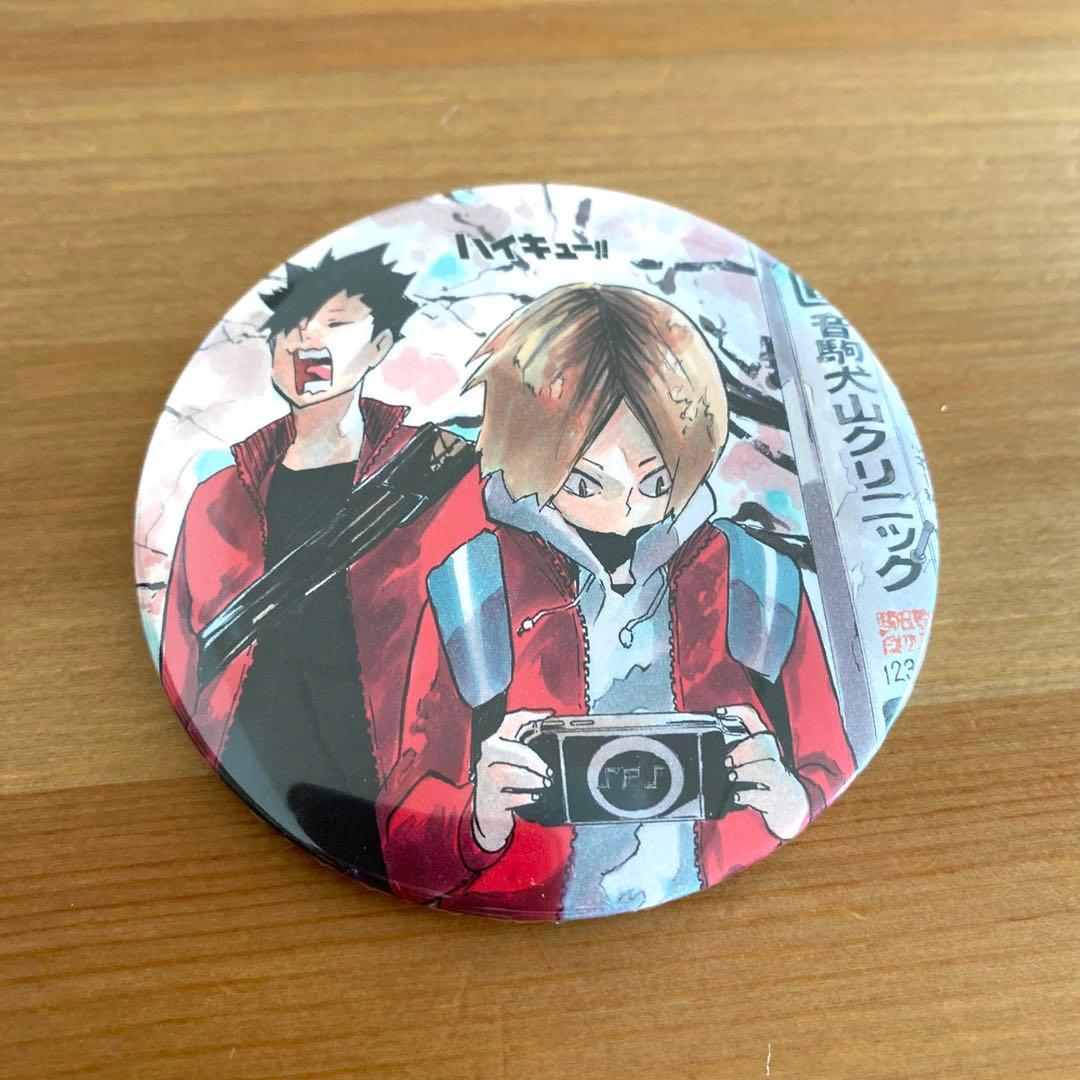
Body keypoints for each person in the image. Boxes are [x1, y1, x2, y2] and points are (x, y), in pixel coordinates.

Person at [378, 283, 856, 918]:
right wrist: (478, 819)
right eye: (584, 482)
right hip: (520, 914)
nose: (625, 508)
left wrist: (789, 801)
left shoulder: (757, 580)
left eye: (656, 481)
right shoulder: (473, 588)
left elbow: (833, 767)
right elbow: (401, 827)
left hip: (728, 905)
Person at [160, 246, 483, 888]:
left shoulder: (441, 472)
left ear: (381, 345)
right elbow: (182, 647)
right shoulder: (215, 500)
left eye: (335, 323)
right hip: (246, 768)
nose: (305, 337)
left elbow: (487, 631)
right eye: (290, 327)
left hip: (391, 776)